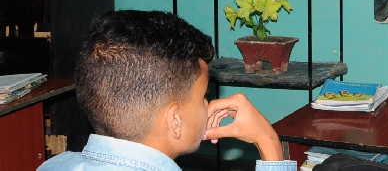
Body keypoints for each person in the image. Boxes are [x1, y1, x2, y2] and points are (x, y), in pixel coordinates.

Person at [38, 10, 296, 171]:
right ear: (175, 120)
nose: (207, 105)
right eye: (202, 96)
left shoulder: (54, 165)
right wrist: (269, 142)